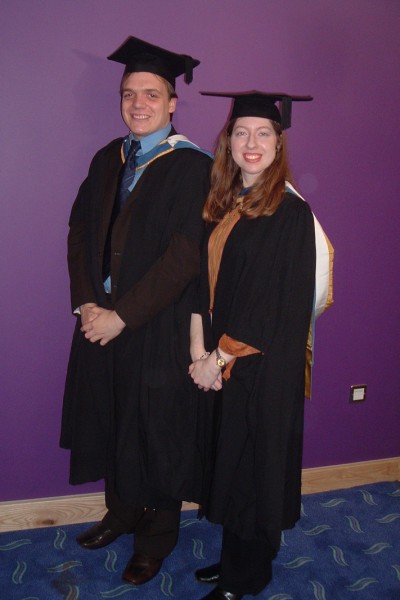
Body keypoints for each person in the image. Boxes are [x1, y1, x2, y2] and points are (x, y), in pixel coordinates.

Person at [60, 36, 212, 586]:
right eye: (130, 94)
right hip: (98, 319)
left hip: (156, 325)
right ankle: (121, 514)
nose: (138, 104)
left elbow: (185, 255)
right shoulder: (108, 158)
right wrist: (87, 302)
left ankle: (156, 537)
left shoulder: (193, 167)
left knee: (156, 431)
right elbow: (79, 232)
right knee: (112, 418)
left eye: (151, 94)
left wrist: (122, 315)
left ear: (173, 102)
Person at [189, 91, 324, 599]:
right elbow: (209, 284)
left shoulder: (287, 213)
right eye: (241, 132)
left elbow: (270, 304)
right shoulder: (230, 203)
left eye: (263, 133)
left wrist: (218, 357)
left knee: (251, 466)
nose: (251, 143)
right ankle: (239, 561)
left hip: (261, 365)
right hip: (230, 361)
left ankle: (243, 578)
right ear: (228, 141)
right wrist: (201, 349)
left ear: (278, 143)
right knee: (236, 462)